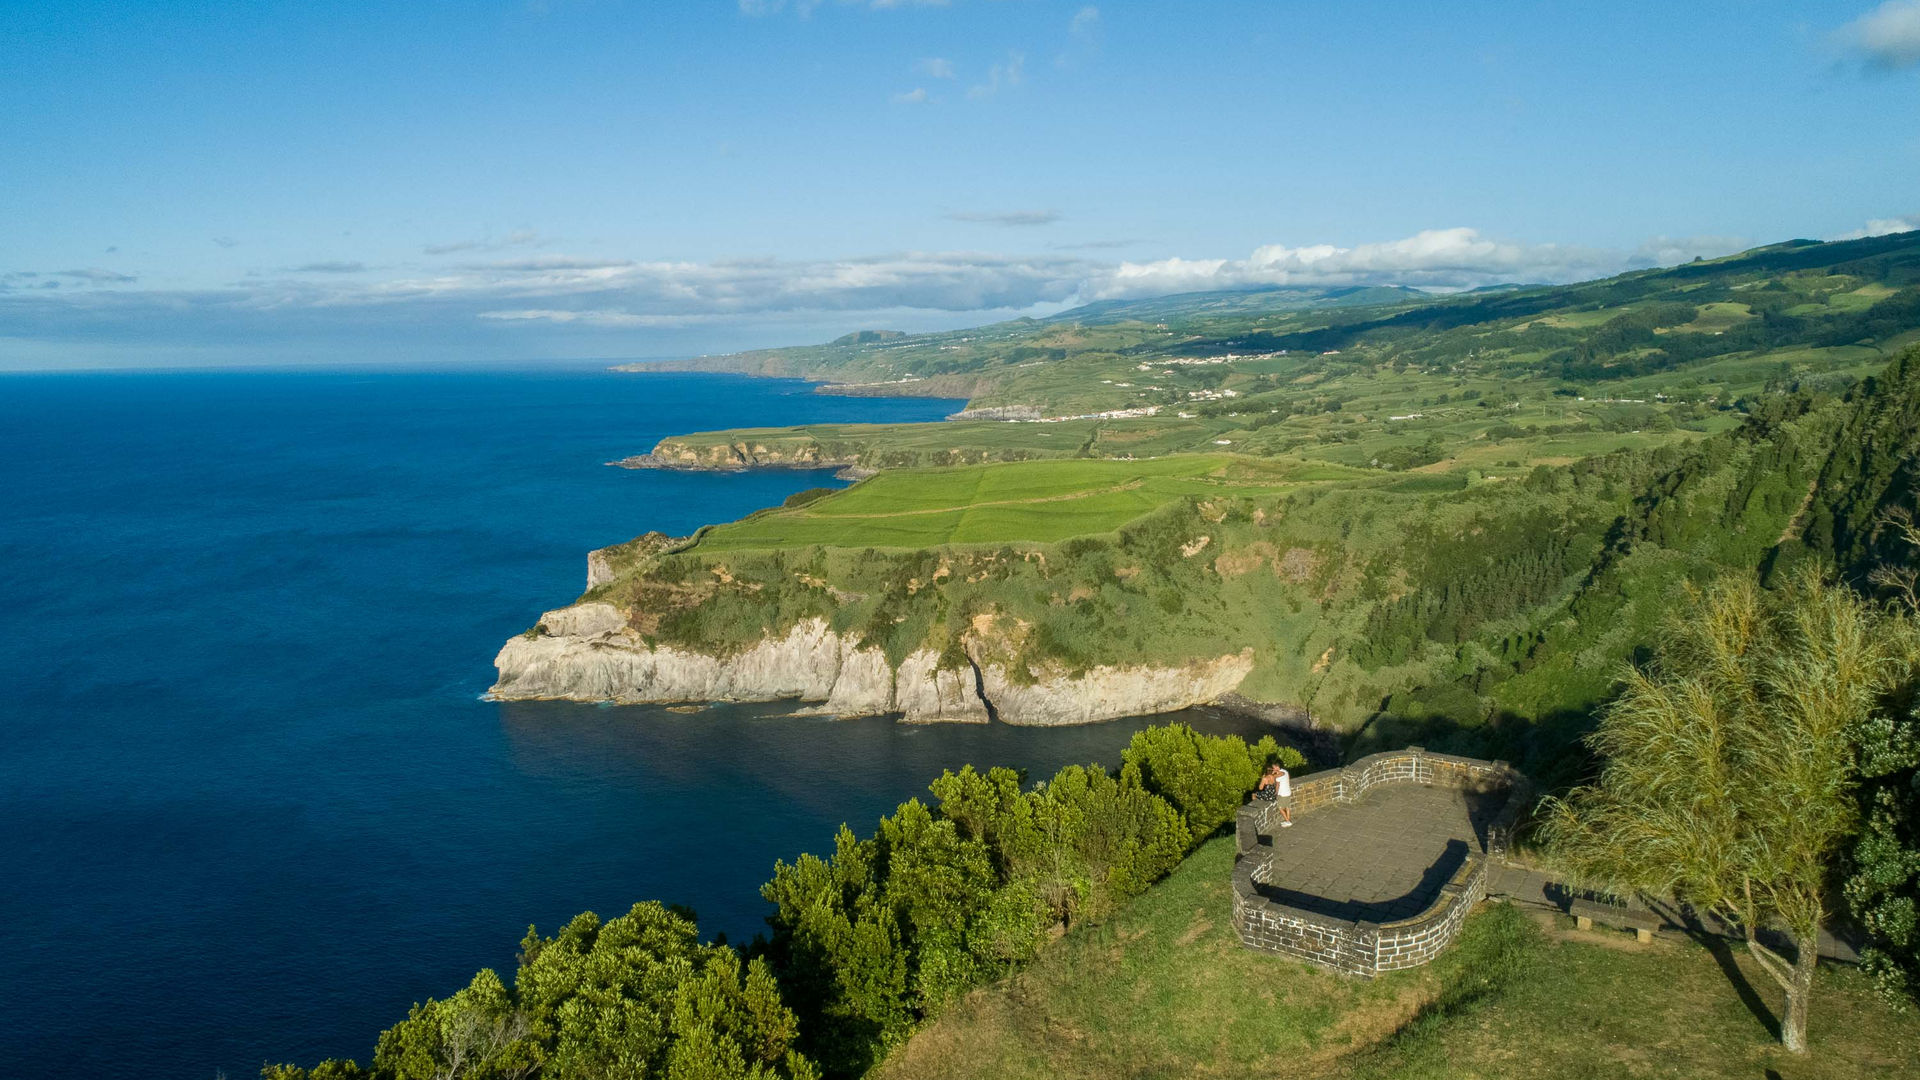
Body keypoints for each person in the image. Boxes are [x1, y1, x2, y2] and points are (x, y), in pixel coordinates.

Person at [1254, 762, 1294, 828]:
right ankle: (1288, 820)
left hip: (1282, 794)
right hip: (1288, 792)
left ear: (1277, 767)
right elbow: (1288, 780)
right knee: (1287, 807)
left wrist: (1275, 793)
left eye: (1274, 767)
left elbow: (1277, 786)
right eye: (1272, 768)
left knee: (1280, 808)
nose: (1273, 769)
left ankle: (1288, 822)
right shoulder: (1285, 771)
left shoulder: (1277, 777)